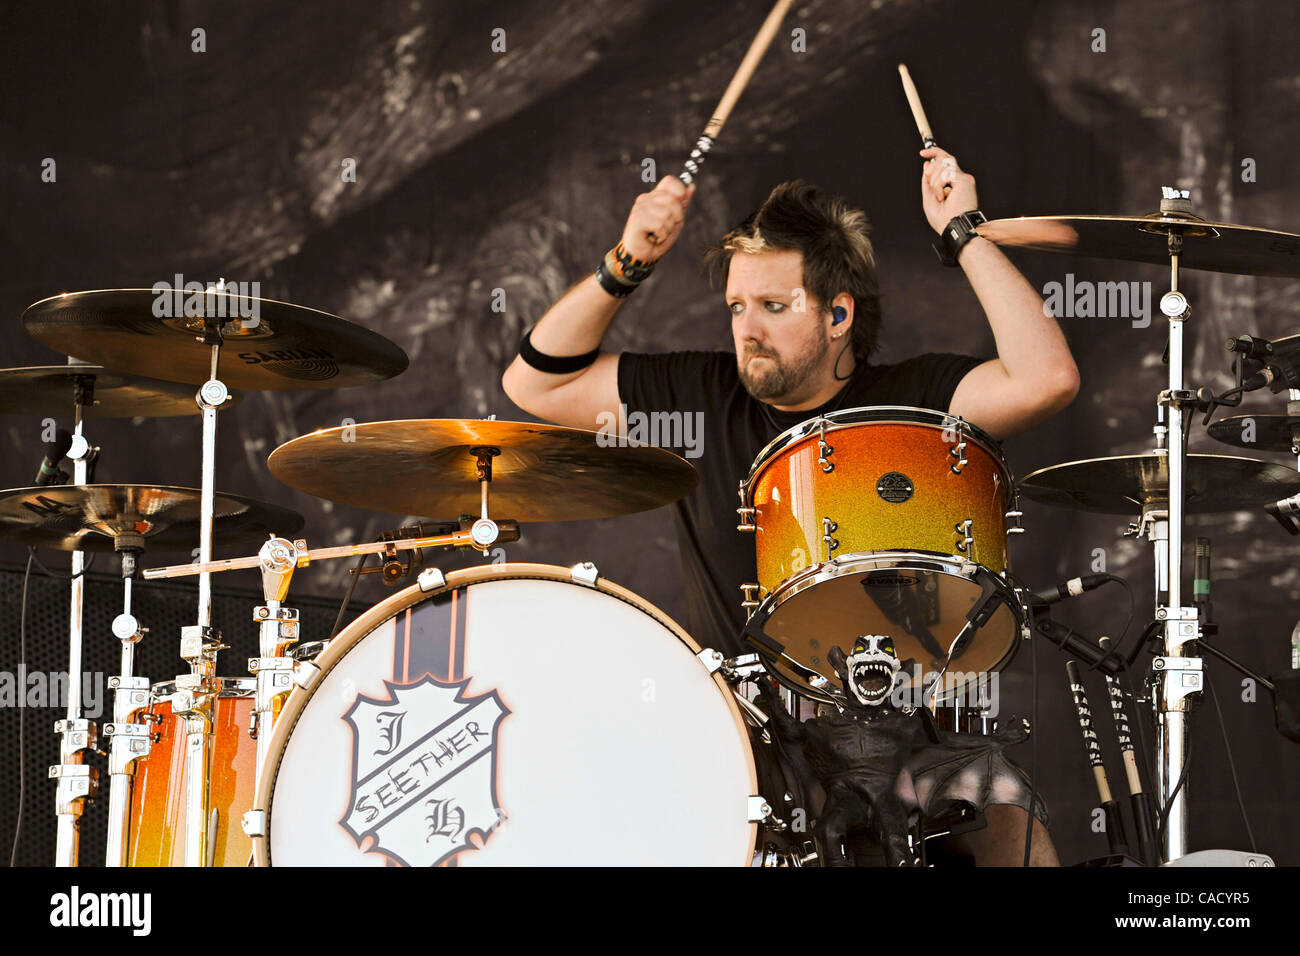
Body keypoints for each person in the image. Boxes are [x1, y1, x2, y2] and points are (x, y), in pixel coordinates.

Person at [502, 147, 1078, 865]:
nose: (748, 328)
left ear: (839, 313)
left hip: (901, 738)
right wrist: (627, 260)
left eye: (774, 307)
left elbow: (1046, 378)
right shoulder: (700, 398)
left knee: (1002, 811)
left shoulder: (915, 401)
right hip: (744, 746)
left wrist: (966, 234)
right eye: (739, 306)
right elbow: (537, 386)